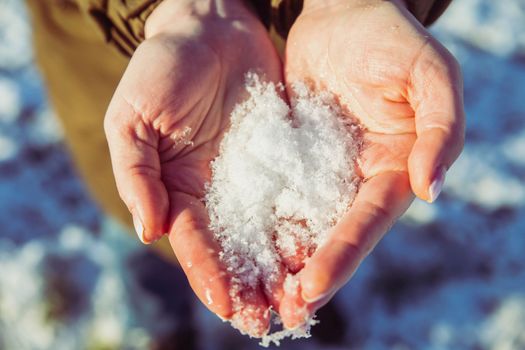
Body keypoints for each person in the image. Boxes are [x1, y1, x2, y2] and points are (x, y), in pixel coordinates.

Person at [26, 0, 464, 337]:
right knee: (142, 230)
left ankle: (311, 300)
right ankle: (162, 328)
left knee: (316, 251)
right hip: (115, 68)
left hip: (323, 59)